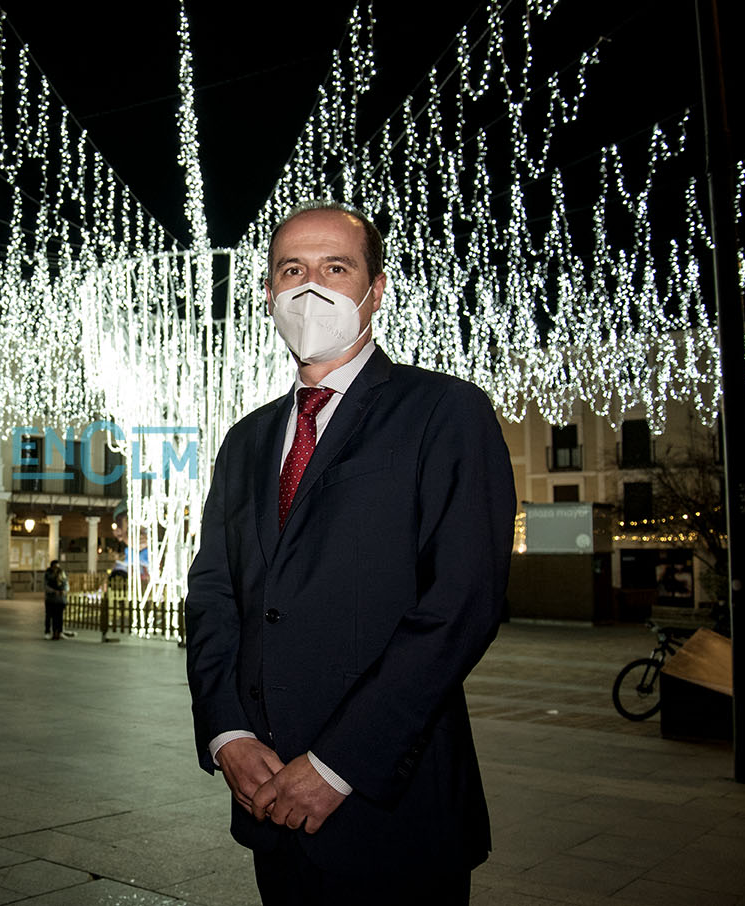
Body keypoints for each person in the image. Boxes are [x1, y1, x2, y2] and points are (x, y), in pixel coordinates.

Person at [184, 203, 515, 905]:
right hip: (266, 800)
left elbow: (463, 601)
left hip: (393, 810)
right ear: (268, 293)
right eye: (291, 270)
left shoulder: (444, 412)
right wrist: (228, 732)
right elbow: (215, 594)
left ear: (376, 288)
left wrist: (338, 764)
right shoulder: (245, 440)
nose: (312, 288)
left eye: (336, 268)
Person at [43, 560, 68, 640]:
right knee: (49, 616)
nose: (56, 569)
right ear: (51, 567)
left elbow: (66, 583)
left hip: (60, 599)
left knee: (59, 616)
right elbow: (45, 586)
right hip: (51, 599)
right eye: (55, 567)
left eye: (57, 567)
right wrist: (53, 591)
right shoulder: (48, 574)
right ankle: (48, 632)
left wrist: (65, 590)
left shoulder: (62, 573)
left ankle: (59, 632)